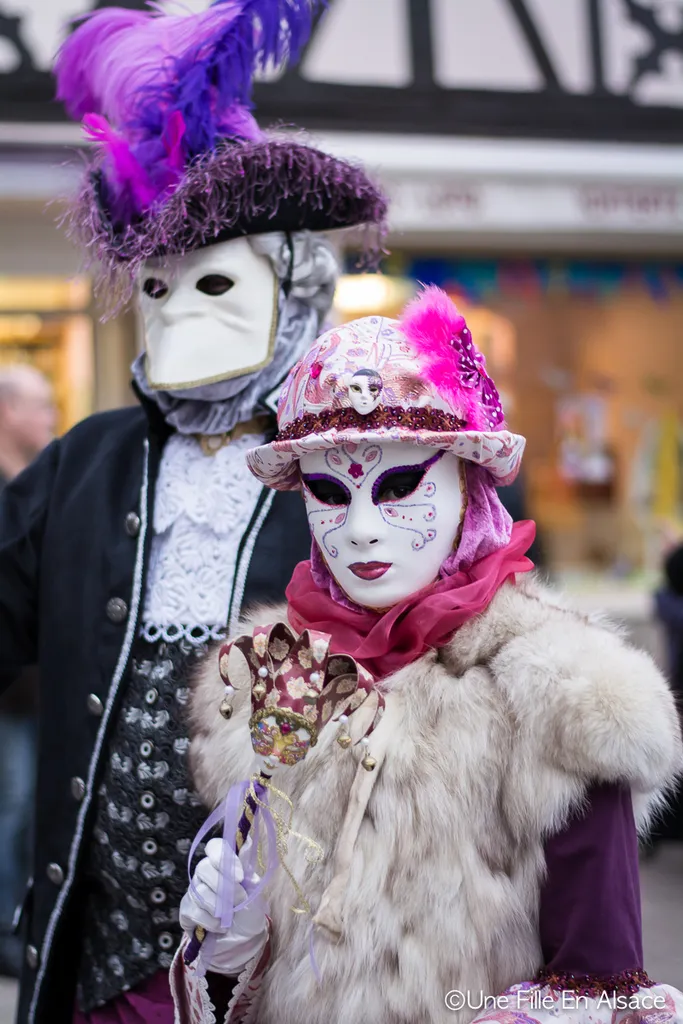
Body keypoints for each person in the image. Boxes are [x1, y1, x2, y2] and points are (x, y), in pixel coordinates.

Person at [0, 3, 386, 1022]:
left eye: (214, 279)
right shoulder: (86, 463)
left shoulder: (353, 475)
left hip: (287, 963)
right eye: (157, 285)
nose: (177, 310)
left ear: (295, 288)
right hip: (95, 950)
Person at [173, 287, 683, 1024]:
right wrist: (229, 954)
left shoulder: (563, 694)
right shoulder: (266, 676)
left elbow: (595, 990)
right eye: (327, 490)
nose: (360, 529)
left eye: (400, 485)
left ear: (467, 483)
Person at [0, 367, 55, 979]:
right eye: (39, 405)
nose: (50, 415)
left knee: (33, 808)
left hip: (45, 688)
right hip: (9, 693)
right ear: (8, 411)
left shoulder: (47, 484)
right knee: (10, 808)